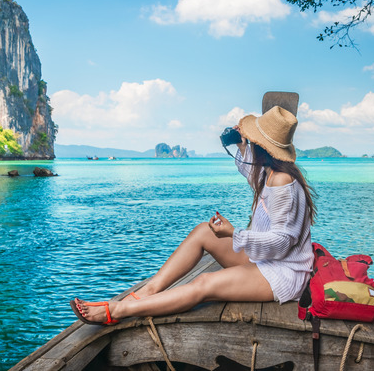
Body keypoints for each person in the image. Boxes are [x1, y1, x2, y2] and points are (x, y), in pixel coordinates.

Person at [72, 106, 317, 325]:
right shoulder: (268, 172)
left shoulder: (282, 181)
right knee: (204, 232)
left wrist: (234, 234)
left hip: (282, 272)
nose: (250, 143)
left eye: (253, 140)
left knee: (204, 284)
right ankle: (150, 290)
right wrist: (241, 145)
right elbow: (249, 171)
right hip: (265, 259)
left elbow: (282, 242)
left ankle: (119, 310)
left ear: (263, 146)